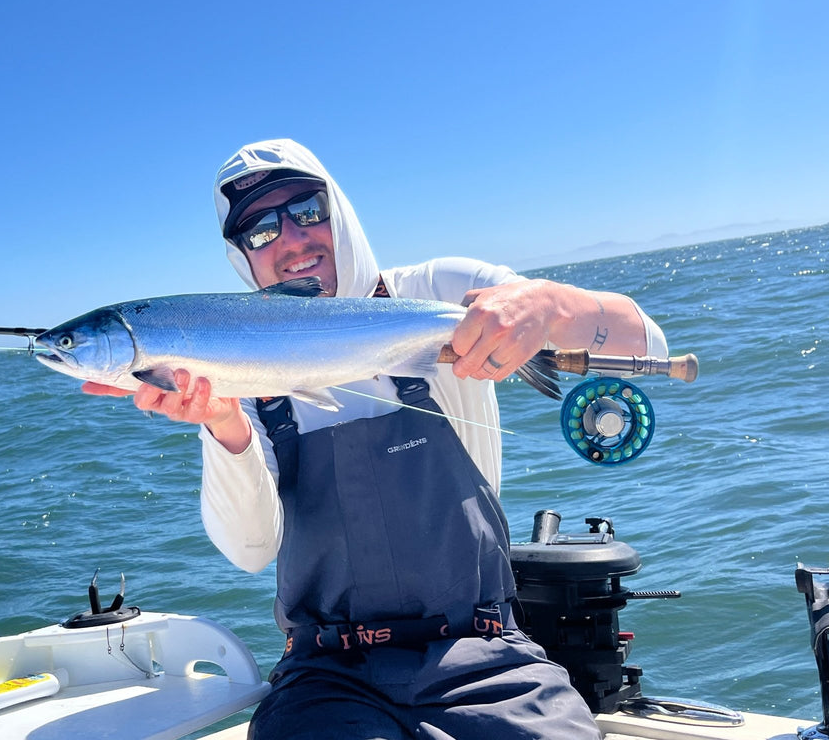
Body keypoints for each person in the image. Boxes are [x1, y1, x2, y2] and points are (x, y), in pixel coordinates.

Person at [84, 138, 668, 739]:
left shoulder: (442, 291)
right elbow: (251, 550)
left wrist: (544, 306)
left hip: (487, 655)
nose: (290, 240)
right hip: (327, 677)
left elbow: (647, 343)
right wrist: (224, 424)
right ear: (242, 255)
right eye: (260, 231)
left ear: (337, 209)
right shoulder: (236, 363)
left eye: (306, 211)